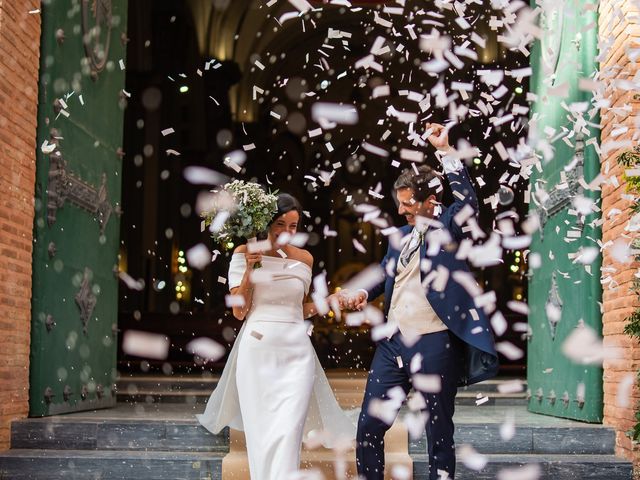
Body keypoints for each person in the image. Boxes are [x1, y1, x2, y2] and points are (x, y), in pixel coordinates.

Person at [346, 123, 499, 480]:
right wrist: (363, 293)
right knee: (370, 423)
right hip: (394, 341)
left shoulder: (449, 224)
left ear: (430, 198)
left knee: (438, 430)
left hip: (434, 341)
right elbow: (387, 272)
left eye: (407, 203)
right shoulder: (398, 235)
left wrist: (445, 151)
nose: (401, 211)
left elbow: (468, 202)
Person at [197, 193, 354, 480]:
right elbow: (239, 312)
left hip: (297, 355)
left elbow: (301, 308)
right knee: (263, 436)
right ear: (267, 223)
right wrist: (249, 271)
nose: (287, 231)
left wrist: (332, 301)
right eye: (281, 223)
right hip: (257, 352)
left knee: (289, 434)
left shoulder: (305, 258)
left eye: (294, 226)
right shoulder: (243, 252)